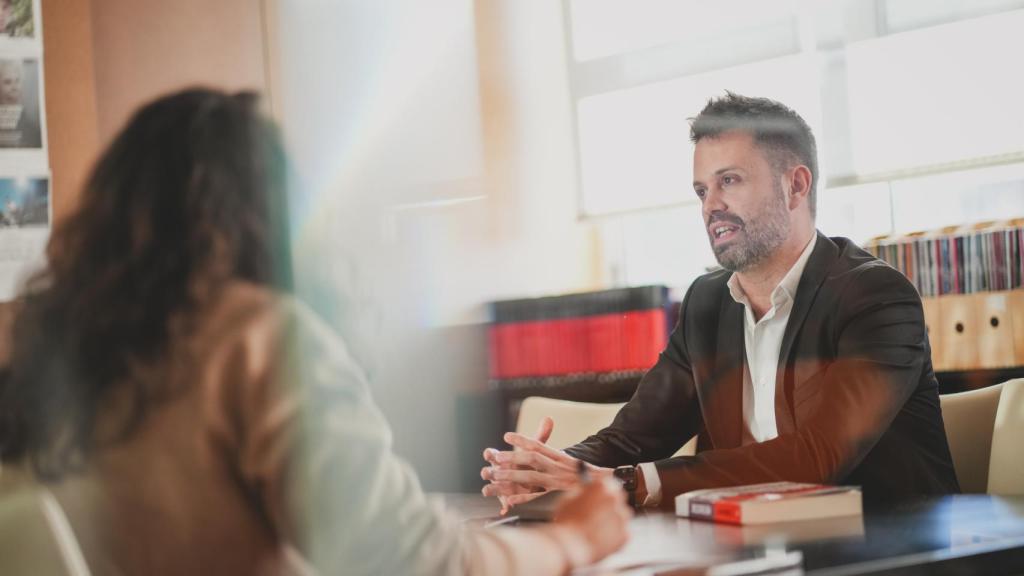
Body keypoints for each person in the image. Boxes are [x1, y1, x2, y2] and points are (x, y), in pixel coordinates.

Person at [0, 88, 630, 575]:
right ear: (267, 215)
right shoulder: (255, 337)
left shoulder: (40, 353)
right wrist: (572, 538)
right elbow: (408, 561)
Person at [481, 93, 960, 512]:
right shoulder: (707, 303)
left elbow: (817, 457)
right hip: (755, 552)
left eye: (729, 181)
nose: (710, 205)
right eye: (701, 189)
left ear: (795, 185)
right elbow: (635, 435)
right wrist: (551, 472)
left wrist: (627, 482)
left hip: (888, 552)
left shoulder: (876, 297)